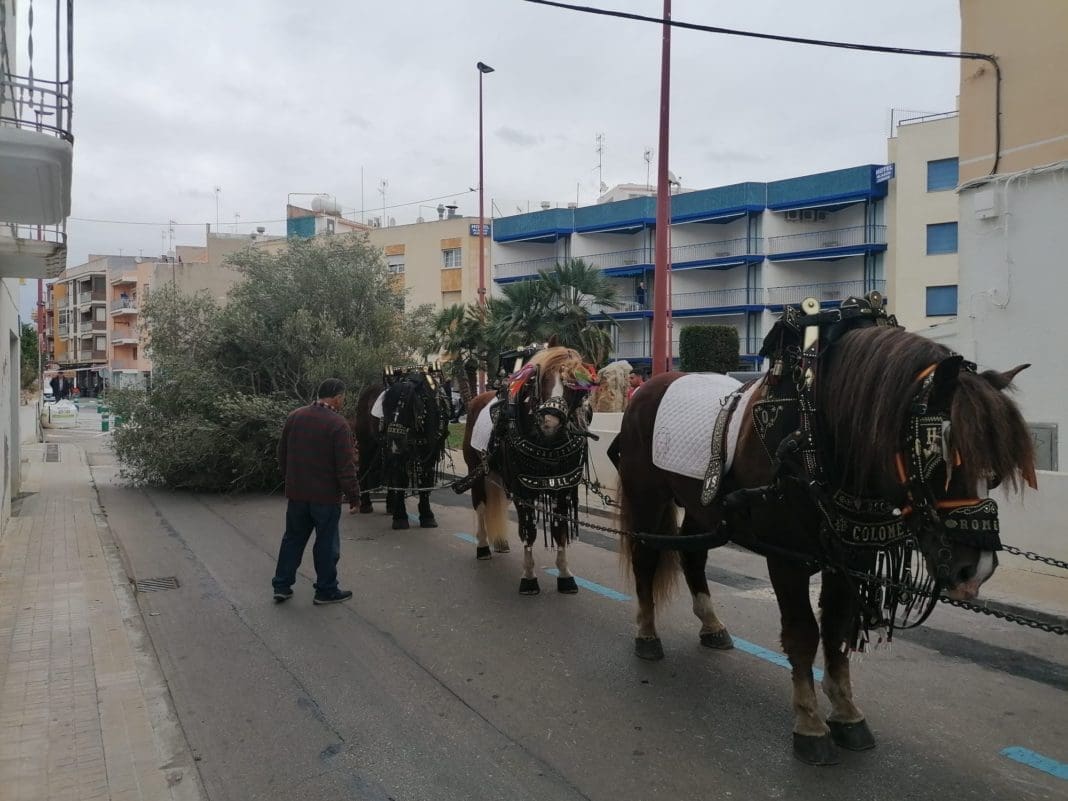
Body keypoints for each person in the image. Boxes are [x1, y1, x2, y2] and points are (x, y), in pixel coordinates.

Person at [272, 378, 361, 605]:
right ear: (337, 397)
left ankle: (282, 585)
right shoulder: (338, 424)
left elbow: (282, 453)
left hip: (297, 494)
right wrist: (354, 496)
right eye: (343, 397)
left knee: (292, 539)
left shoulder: (295, 416)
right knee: (326, 544)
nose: (343, 401)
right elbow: (345, 466)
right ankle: (326, 590)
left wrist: (290, 479)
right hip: (325, 497)